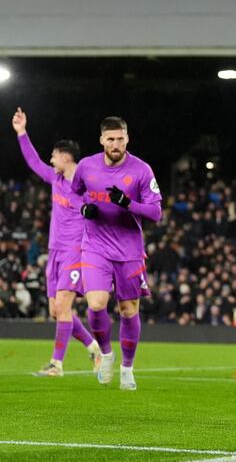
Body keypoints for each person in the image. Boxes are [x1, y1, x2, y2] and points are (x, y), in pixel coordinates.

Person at [71, 116, 162, 390]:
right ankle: (107, 354)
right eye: (110, 139)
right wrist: (83, 208)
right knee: (97, 303)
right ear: (101, 140)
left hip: (129, 250)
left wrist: (128, 203)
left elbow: (156, 212)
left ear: (127, 138)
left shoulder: (142, 170)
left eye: (120, 138)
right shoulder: (86, 166)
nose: (115, 143)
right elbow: (75, 193)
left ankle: (127, 368)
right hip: (95, 247)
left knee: (127, 310)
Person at [12, 108, 101, 376]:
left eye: (54, 155)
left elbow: (101, 213)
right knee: (55, 311)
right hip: (55, 251)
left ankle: (56, 364)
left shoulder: (86, 187)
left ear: (65, 157)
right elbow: (34, 162)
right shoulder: (56, 179)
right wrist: (21, 133)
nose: (50, 160)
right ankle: (93, 347)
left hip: (75, 251)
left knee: (63, 306)